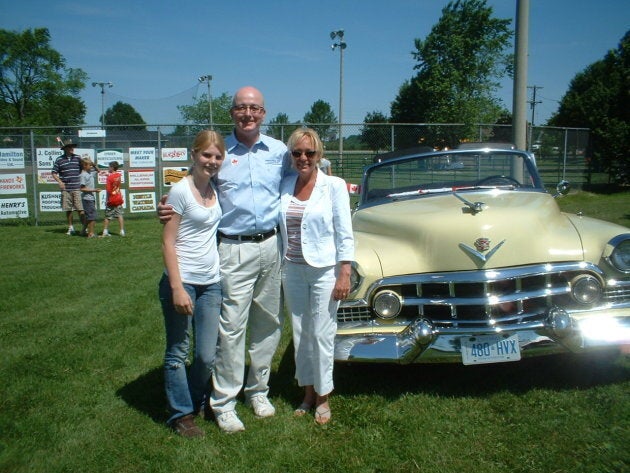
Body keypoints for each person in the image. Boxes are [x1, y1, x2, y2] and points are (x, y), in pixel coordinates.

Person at [158, 86, 292, 433]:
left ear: (264, 113)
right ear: (232, 112)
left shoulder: (279, 151)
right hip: (232, 250)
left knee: (268, 323)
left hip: (271, 246)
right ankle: (224, 401)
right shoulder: (219, 152)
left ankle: (258, 391)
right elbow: (192, 184)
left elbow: (303, 177)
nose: (249, 114)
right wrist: (168, 204)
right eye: (241, 108)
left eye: (255, 109)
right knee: (231, 327)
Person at [280, 128, 354, 425]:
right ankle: (308, 392)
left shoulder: (333, 186)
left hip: (325, 270)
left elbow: (345, 231)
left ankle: (324, 396)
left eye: (309, 153)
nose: (303, 158)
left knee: (322, 333)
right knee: (301, 333)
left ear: (319, 155)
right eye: (297, 153)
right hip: (292, 269)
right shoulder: (285, 185)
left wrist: (344, 272)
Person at [159, 130, 225, 438]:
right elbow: (168, 243)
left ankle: (199, 401)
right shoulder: (180, 191)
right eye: (206, 155)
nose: (211, 161)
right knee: (178, 350)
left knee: (206, 355)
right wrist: (176, 287)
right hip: (183, 280)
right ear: (194, 155)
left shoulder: (215, 189)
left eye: (217, 156)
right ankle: (181, 414)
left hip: (211, 283)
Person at [52, 139, 84, 235]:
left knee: (80, 209)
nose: (72, 148)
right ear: (65, 149)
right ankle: (71, 228)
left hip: (77, 187)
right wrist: (60, 182)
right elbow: (53, 173)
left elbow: (84, 169)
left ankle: (85, 227)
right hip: (66, 189)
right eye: (70, 147)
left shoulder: (78, 158)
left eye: (72, 147)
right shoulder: (59, 159)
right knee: (68, 209)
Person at [101, 161, 125, 237]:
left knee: (108, 216)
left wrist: (107, 200)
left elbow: (108, 189)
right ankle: (122, 231)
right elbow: (113, 177)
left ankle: (105, 231)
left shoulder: (109, 178)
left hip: (111, 199)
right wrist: (107, 174)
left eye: (109, 167)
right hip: (118, 198)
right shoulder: (118, 175)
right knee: (119, 215)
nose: (108, 168)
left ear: (112, 167)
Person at [79, 158, 101, 238]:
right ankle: (91, 233)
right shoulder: (83, 175)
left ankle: (83, 231)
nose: (91, 167)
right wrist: (94, 190)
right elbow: (82, 188)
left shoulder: (90, 173)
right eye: (89, 165)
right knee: (92, 217)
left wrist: (94, 164)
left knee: (89, 217)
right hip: (87, 199)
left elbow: (98, 171)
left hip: (91, 198)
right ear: (84, 166)